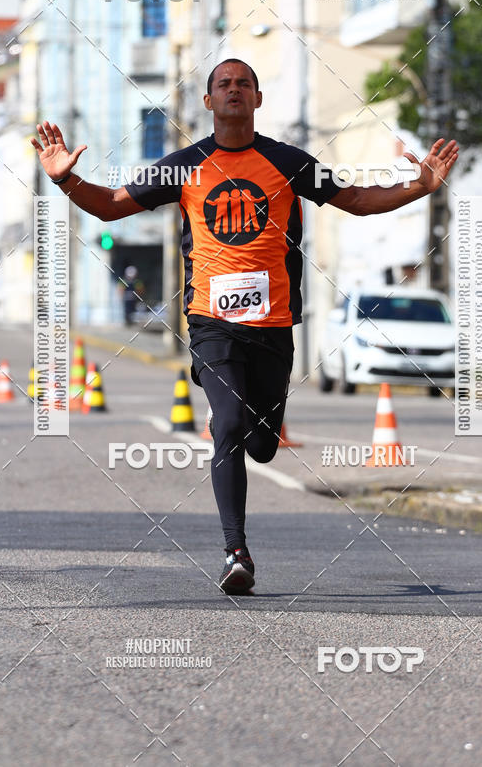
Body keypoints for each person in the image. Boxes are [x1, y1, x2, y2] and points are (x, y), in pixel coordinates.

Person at [31, 59, 458, 595]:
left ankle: (258, 437)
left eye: (243, 84)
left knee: (262, 445)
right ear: (208, 102)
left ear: (257, 99)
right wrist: (66, 179)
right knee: (227, 424)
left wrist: (420, 187)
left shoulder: (289, 162)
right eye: (223, 85)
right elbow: (113, 207)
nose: (233, 90)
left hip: (274, 325)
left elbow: (355, 199)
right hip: (210, 321)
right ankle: (236, 552)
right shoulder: (183, 167)